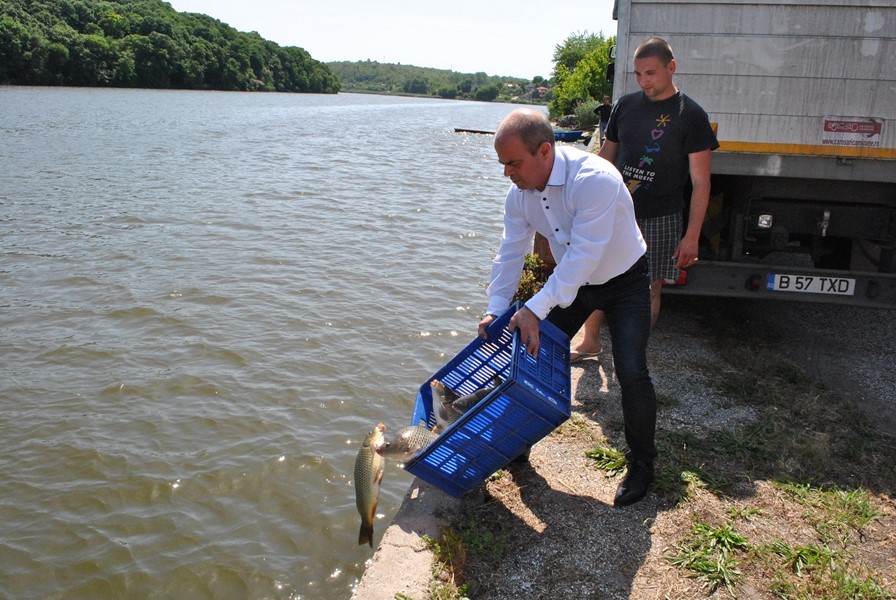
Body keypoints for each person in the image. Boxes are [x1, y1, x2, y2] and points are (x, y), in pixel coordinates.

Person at [477, 107, 658, 507]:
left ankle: (643, 464)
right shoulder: (519, 194)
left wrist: (535, 308)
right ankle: (517, 442)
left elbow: (584, 257)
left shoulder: (594, 179)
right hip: (574, 283)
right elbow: (510, 252)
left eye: (513, 163)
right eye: (503, 163)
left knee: (631, 370)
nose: (506, 173)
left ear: (544, 151)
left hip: (624, 280)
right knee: (532, 357)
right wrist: (497, 307)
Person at [571, 37, 719, 362]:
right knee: (595, 276)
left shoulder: (691, 115)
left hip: (660, 215)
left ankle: (631, 355)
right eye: (638, 74)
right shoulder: (625, 106)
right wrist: (578, 197)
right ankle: (590, 342)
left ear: (671, 67)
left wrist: (692, 236)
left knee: (647, 288)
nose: (643, 81)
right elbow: (604, 159)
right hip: (615, 210)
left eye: (650, 73)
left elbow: (701, 181)